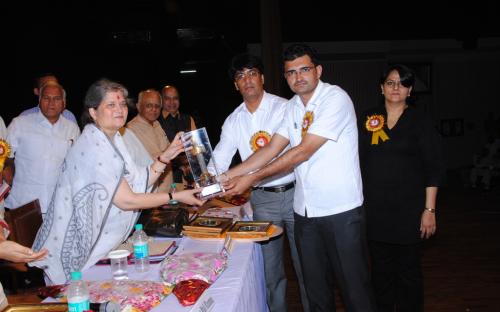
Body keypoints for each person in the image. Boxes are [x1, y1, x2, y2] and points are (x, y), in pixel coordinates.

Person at [223, 43, 376, 311]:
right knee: (316, 290)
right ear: (285, 77)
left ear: (318, 70)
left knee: (354, 289)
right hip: (305, 212)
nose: (298, 77)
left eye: (304, 69)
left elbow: (302, 151)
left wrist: (251, 179)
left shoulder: (334, 98)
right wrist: (225, 176)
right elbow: (270, 148)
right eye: (291, 72)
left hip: (340, 210)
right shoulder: (293, 107)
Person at [30, 78, 204, 285]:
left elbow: (140, 180)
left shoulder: (114, 139)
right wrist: (176, 196)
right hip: (76, 253)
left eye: (122, 104)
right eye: (111, 105)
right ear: (93, 112)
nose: (119, 110)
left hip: (100, 249)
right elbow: (127, 200)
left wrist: (167, 155)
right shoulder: (93, 146)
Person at [210, 53, 309, 312]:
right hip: (262, 200)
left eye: (252, 73)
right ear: (235, 85)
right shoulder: (234, 120)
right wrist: (207, 179)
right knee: (270, 271)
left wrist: (235, 176)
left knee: (307, 266)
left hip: (296, 195)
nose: (247, 80)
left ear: (262, 78)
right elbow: (220, 157)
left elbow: (276, 153)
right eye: (240, 76)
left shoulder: (284, 107)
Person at [358, 64, 445, 311]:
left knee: (409, 274)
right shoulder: (367, 118)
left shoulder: (421, 120)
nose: (396, 87)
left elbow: (434, 168)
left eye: (402, 83)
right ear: (381, 87)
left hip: (410, 211)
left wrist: (430, 210)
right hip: (375, 211)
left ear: (410, 90)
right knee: (381, 274)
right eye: (390, 82)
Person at [5, 81, 80, 215]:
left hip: (58, 207)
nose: (51, 103)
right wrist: (8, 173)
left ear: (63, 103)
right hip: (24, 206)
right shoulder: (20, 124)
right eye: (46, 98)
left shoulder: (72, 129)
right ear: (39, 101)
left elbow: (77, 166)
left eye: (56, 99)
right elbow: (5, 157)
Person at [127, 89, 173, 192]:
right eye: (149, 105)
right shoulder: (130, 130)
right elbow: (140, 162)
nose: (154, 109)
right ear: (138, 107)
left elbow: (166, 149)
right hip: (150, 193)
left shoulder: (157, 124)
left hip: (167, 191)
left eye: (157, 106)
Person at [158, 85, 196, 184]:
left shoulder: (188, 119)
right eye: (167, 99)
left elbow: (196, 146)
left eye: (175, 98)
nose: (172, 102)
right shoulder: (155, 121)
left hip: (188, 174)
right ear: (161, 100)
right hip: (165, 176)